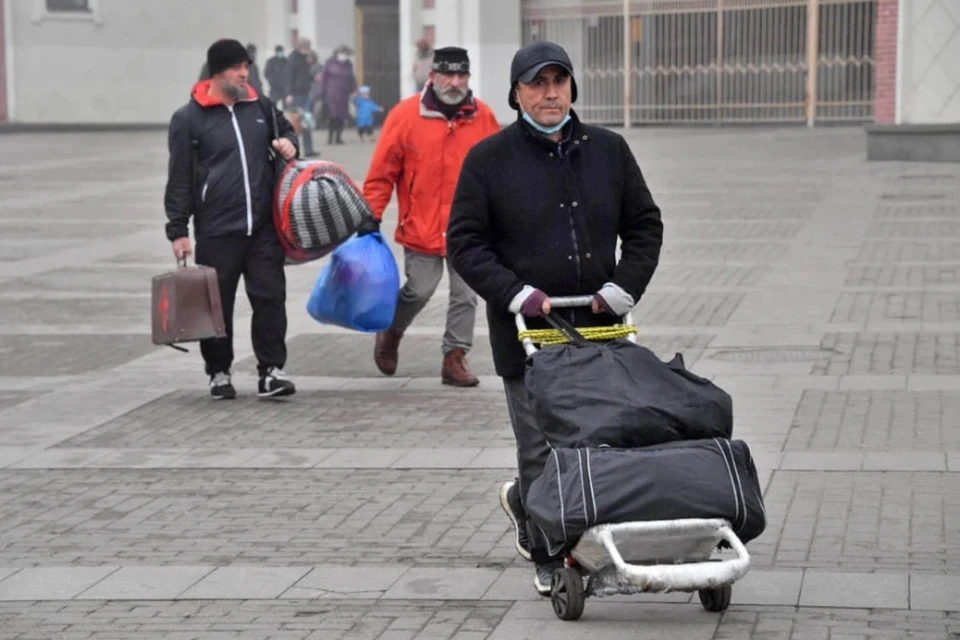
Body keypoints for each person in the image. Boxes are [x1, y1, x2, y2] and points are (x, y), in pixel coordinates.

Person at [446, 41, 664, 595]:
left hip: (600, 326)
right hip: (527, 334)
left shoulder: (609, 151)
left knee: (604, 440)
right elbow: (466, 244)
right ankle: (549, 553)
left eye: (559, 82)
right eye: (537, 84)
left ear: (572, 88)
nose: (550, 94)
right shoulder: (489, 159)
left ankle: (557, 516)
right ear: (517, 94)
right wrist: (515, 293)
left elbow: (644, 226)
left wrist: (622, 286)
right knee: (541, 446)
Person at [164, 39, 300, 400]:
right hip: (217, 230)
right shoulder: (188, 119)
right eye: (237, 68)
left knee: (270, 299)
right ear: (217, 72)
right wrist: (178, 230)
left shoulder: (260, 107)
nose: (244, 74)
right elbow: (179, 178)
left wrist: (289, 144)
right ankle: (219, 372)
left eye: (246, 67)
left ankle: (271, 371)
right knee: (217, 306)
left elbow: (286, 132)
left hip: (264, 229)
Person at [359, 46, 501, 387]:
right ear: (432, 75)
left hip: (469, 229)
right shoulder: (405, 116)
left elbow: (502, 173)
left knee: (466, 295)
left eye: (460, 75)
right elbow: (382, 172)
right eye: (447, 75)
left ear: (468, 78)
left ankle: (454, 357)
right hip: (420, 225)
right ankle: (391, 331)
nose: (454, 82)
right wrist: (370, 215)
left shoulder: (483, 118)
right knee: (419, 290)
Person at [316, 45, 358, 145]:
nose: (345, 56)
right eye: (344, 54)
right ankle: (330, 137)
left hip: (344, 94)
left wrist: (354, 89)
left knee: (342, 116)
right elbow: (324, 78)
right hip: (332, 94)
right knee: (332, 116)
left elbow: (351, 78)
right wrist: (322, 92)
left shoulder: (348, 64)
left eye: (346, 54)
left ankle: (338, 137)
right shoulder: (329, 63)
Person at [285, 38, 318, 157]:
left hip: (305, 93)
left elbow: (306, 75)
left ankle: (309, 149)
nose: (307, 50)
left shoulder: (305, 58)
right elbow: (289, 76)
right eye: (305, 48)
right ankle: (293, 149)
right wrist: (289, 93)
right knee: (297, 123)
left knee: (307, 121)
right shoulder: (293, 59)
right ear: (300, 47)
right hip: (297, 95)